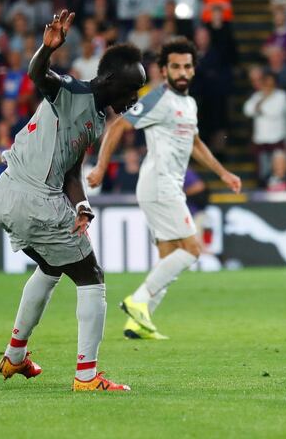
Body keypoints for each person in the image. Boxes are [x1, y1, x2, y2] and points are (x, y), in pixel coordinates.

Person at [0, 10, 145, 392]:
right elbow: (38, 75)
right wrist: (46, 49)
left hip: (6, 194)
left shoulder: (94, 121)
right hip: (33, 198)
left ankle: (14, 358)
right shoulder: (72, 92)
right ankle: (87, 377)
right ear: (108, 80)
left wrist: (80, 206)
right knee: (92, 277)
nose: (132, 99)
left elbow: (72, 174)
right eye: (130, 90)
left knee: (49, 267)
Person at [87, 37, 241, 340]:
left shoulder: (189, 103)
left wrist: (223, 173)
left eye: (187, 66)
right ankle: (138, 301)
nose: (182, 72)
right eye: (175, 66)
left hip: (167, 185)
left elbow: (195, 143)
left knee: (170, 256)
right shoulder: (158, 98)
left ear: (193, 70)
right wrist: (102, 167)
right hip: (159, 184)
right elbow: (118, 125)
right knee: (193, 250)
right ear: (164, 70)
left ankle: (138, 324)